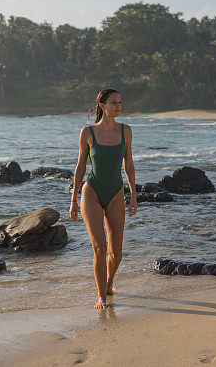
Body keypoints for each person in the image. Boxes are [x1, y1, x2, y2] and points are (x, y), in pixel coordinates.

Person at [70, 88, 137, 309]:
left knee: (116, 253)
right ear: (102, 106)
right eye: (113, 102)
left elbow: (128, 163)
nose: (118, 106)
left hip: (116, 192)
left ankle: (108, 283)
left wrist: (133, 194)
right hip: (92, 192)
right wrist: (73, 199)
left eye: (120, 102)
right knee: (99, 248)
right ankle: (101, 296)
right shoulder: (87, 132)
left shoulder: (125, 131)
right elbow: (80, 167)